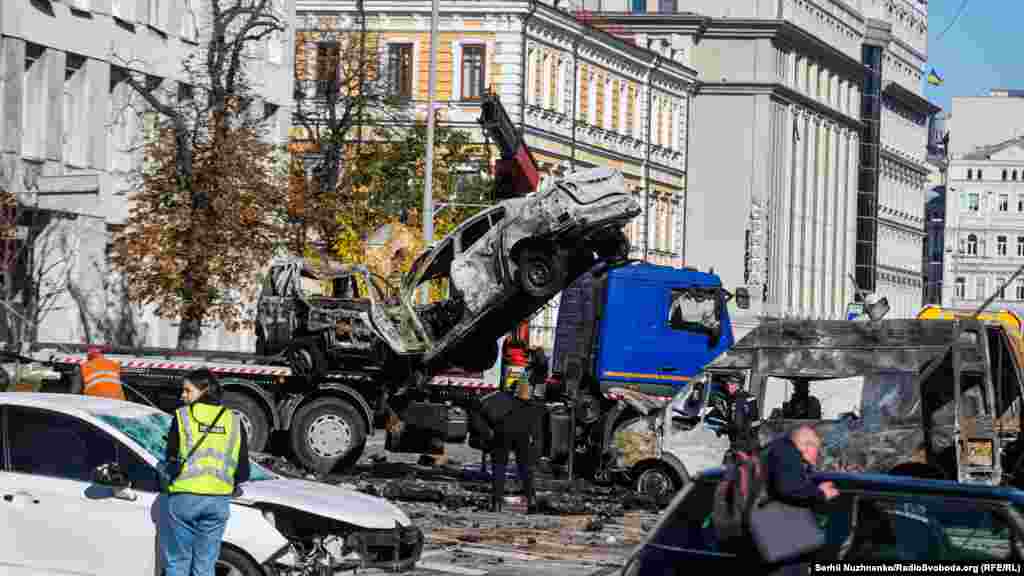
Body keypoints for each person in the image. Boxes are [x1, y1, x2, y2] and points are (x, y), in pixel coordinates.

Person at [161, 369, 250, 576]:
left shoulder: (182, 417)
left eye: (187, 390)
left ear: (204, 390)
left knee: (178, 563)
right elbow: (243, 471)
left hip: (184, 498)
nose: (182, 395)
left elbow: (171, 461)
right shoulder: (234, 420)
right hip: (218, 501)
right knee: (205, 566)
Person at [760, 425, 840, 575]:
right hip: (780, 541)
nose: (818, 454)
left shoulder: (772, 450)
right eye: (818, 448)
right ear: (807, 446)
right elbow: (789, 488)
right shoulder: (786, 453)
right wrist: (820, 494)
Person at [471, 380, 541, 513]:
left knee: (499, 468)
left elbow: (479, 410)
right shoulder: (531, 406)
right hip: (523, 434)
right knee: (525, 468)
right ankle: (531, 501)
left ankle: (497, 503)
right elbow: (535, 429)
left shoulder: (499, 399)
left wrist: (487, 432)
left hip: (502, 433)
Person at [705, 372, 758, 455]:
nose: (728, 385)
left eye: (731, 383)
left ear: (738, 385)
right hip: (751, 441)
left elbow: (738, 425)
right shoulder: (748, 397)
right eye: (728, 383)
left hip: (741, 443)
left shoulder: (738, 400)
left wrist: (722, 429)